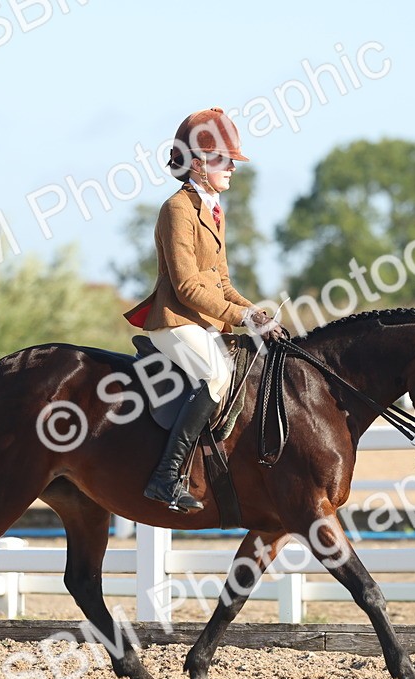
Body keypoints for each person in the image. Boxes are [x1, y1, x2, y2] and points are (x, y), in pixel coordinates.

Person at [124, 107, 288, 513]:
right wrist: (243, 318)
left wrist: (257, 313)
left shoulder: (215, 209)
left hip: (203, 321)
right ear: (198, 164)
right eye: (224, 160)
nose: (232, 167)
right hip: (176, 320)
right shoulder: (177, 209)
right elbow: (187, 287)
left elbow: (222, 283)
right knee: (217, 374)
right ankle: (165, 477)